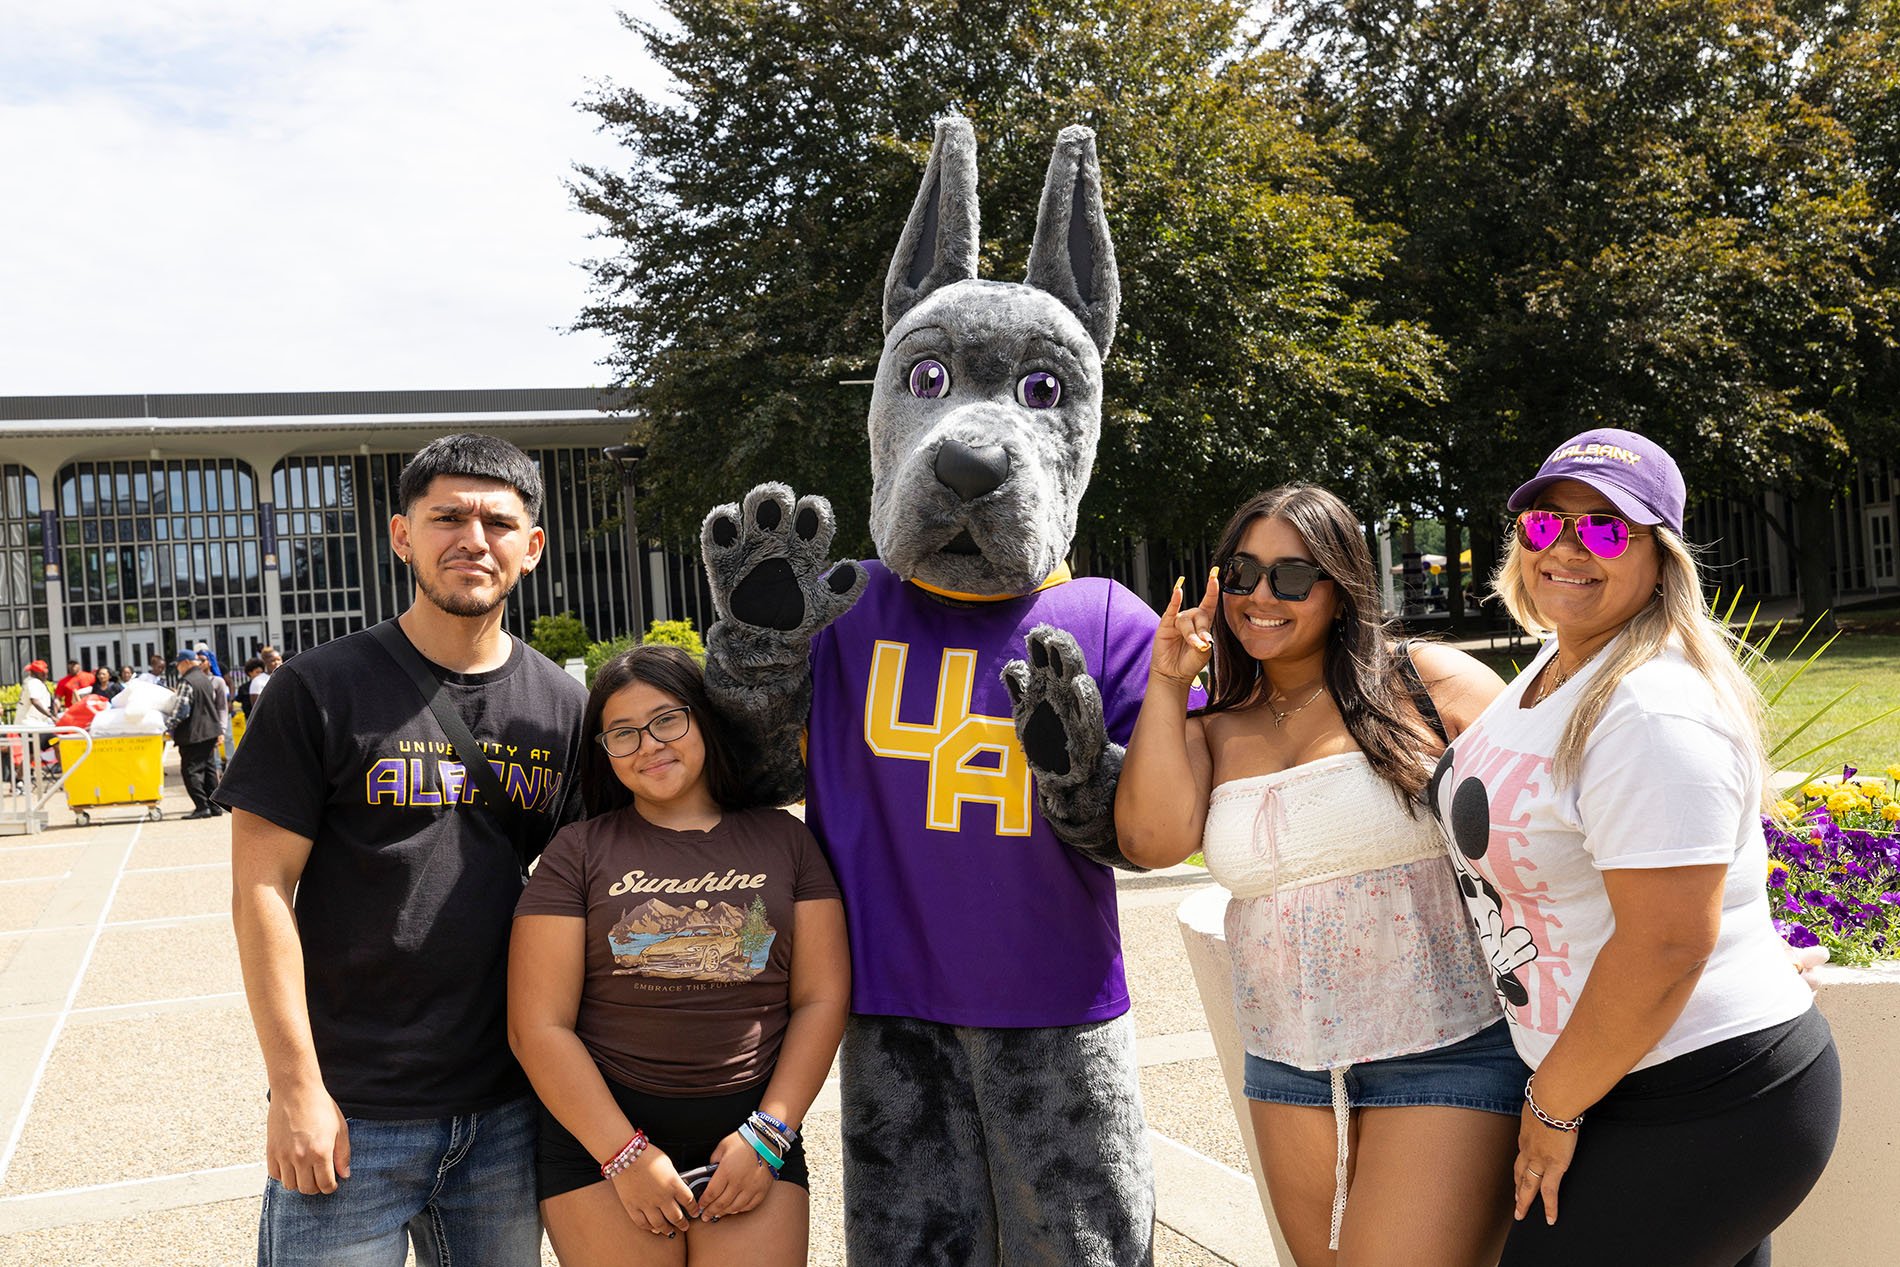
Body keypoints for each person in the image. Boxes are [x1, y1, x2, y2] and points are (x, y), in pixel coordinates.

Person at [1431, 428, 1839, 1266]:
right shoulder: (1561, 667)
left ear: (1661, 557)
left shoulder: (1649, 707)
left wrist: (1550, 1110)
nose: (1568, 548)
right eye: (1546, 524)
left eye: (1608, 528)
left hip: (1697, 1095)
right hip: (1628, 1079)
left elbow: (1665, 942)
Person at [1116, 484, 1523, 1266]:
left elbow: (1555, 816)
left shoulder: (1425, 682)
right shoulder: (1213, 727)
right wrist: (1169, 681)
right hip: (1287, 1068)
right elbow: (1150, 836)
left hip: (1448, 1048)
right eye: (1241, 572)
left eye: (1293, 577)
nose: (1259, 596)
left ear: (1342, 590)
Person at [220, 433, 589, 1266]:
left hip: (505, 1112)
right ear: (401, 536)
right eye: (447, 516)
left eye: (498, 521)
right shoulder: (320, 687)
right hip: (354, 1113)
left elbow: (581, 899)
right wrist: (295, 1088)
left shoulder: (563, 707)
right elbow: (261, 893)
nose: (473, 538)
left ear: (530, 548)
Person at [510, 645, 849, 1266]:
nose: (649, 744)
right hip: (601, 1136)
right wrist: (623, 1155)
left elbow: (821, 998)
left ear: (705, 719)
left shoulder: (786, 839)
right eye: (622, 733)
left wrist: (771, 1135)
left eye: (667, 719)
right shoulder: (576, 852)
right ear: (603, 752)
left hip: (751, 1138)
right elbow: (537, 1026)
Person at [171, 651, 223, 818]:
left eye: (178, 665)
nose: (178, 669)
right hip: (210, 731)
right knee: (208, 770)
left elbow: (181, 710)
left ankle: (201, 806)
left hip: (193, 734)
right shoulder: (205, 679)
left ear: (185, 662)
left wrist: (167, 726)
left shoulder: (187, 681)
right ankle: (215, 807)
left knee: (191, 771)